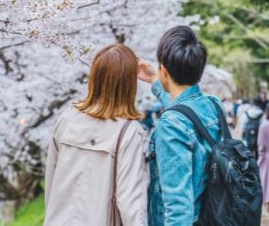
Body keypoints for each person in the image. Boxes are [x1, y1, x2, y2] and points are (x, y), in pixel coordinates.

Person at [45, 44, 148, 226]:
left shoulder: (68, 118)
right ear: (129, 84)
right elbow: (130, 202)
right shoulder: (129, 131)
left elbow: (51, 181)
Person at [137, 25, 222, 226]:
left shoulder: (170, 125)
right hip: (211, 216)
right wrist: (154, 81)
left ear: (164, 70)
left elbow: (178, 206)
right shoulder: (213, 104)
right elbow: (184, 109)